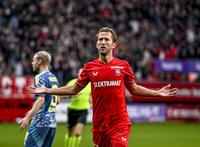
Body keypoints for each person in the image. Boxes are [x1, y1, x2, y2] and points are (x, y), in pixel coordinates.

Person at [27, 27, 178, 147]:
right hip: (99, 124)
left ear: (113, 45)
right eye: (100, 39)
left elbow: (134, 89)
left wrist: (157, 93)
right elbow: (74, 89)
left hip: (119, 121)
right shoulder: (89, 68)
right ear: (96, 44)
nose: (103, 42)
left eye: (106, 39)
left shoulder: (123, 66)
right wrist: (48, 90)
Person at [19, 51, 60, 147]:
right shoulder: (54, 78)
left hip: (40, 122)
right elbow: (57, 101)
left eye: (33, 61)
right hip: (52, 124)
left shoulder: (40, 77)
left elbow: (41, 100)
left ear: (39, 61)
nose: (32, 63)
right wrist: (33, 110)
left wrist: (28, 118)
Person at [64, 68, 92, 147]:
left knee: (77, 133)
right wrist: (71, 95)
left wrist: (91, 103)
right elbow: (63, 95)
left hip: (83, 111)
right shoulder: (72, 83)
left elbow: (90, 95)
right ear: (78, 74)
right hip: (72, 110)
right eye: (80, 73)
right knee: (69, 133)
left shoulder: (89, 84)